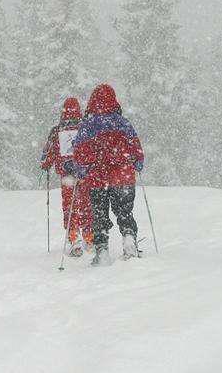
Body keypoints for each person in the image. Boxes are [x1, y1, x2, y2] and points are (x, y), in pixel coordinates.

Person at [72, 84, 144, 266]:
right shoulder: (123, 123)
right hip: (123, 177)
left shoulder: (88, 126)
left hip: (97, 178)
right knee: (124, 211)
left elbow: (80, 152)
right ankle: (129, 239)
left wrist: (81, 170)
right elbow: (135, 147)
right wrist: (137, 162)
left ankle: (102, 250)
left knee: (99, 215)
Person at [40, 97, 93, 256]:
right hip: (84, 175)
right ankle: (89, 237)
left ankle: (73, 237)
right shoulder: (85, 128)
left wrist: (46, 164)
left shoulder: (56, 131)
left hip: (67, 177)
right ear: (79, 110)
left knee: (69, 206)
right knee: (86, 205)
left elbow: (47, 154)